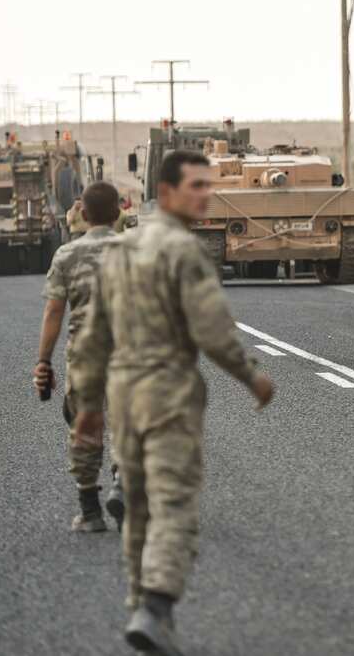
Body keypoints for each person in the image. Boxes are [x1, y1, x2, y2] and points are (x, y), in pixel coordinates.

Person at [68, 150, 275, 654]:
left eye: (209, 185)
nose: (206, 194)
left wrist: (89, 405)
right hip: (168, 394)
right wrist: (251, 378)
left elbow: (93, 334)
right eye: (196, 186)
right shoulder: (184, 252)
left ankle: (140, 605)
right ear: (165, 193)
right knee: (174, 504)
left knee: (137, 507)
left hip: (123, 395)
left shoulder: (119, 250)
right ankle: (157, 605)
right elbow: (213, 331)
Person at [35, 181, 125, 533]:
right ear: (118, 213)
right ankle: (123, 479)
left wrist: (44, 361)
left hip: (85, 355)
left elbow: (54, 313)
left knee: (85, 426)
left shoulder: (67, 255)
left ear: (83, 214)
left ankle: (90, 512)